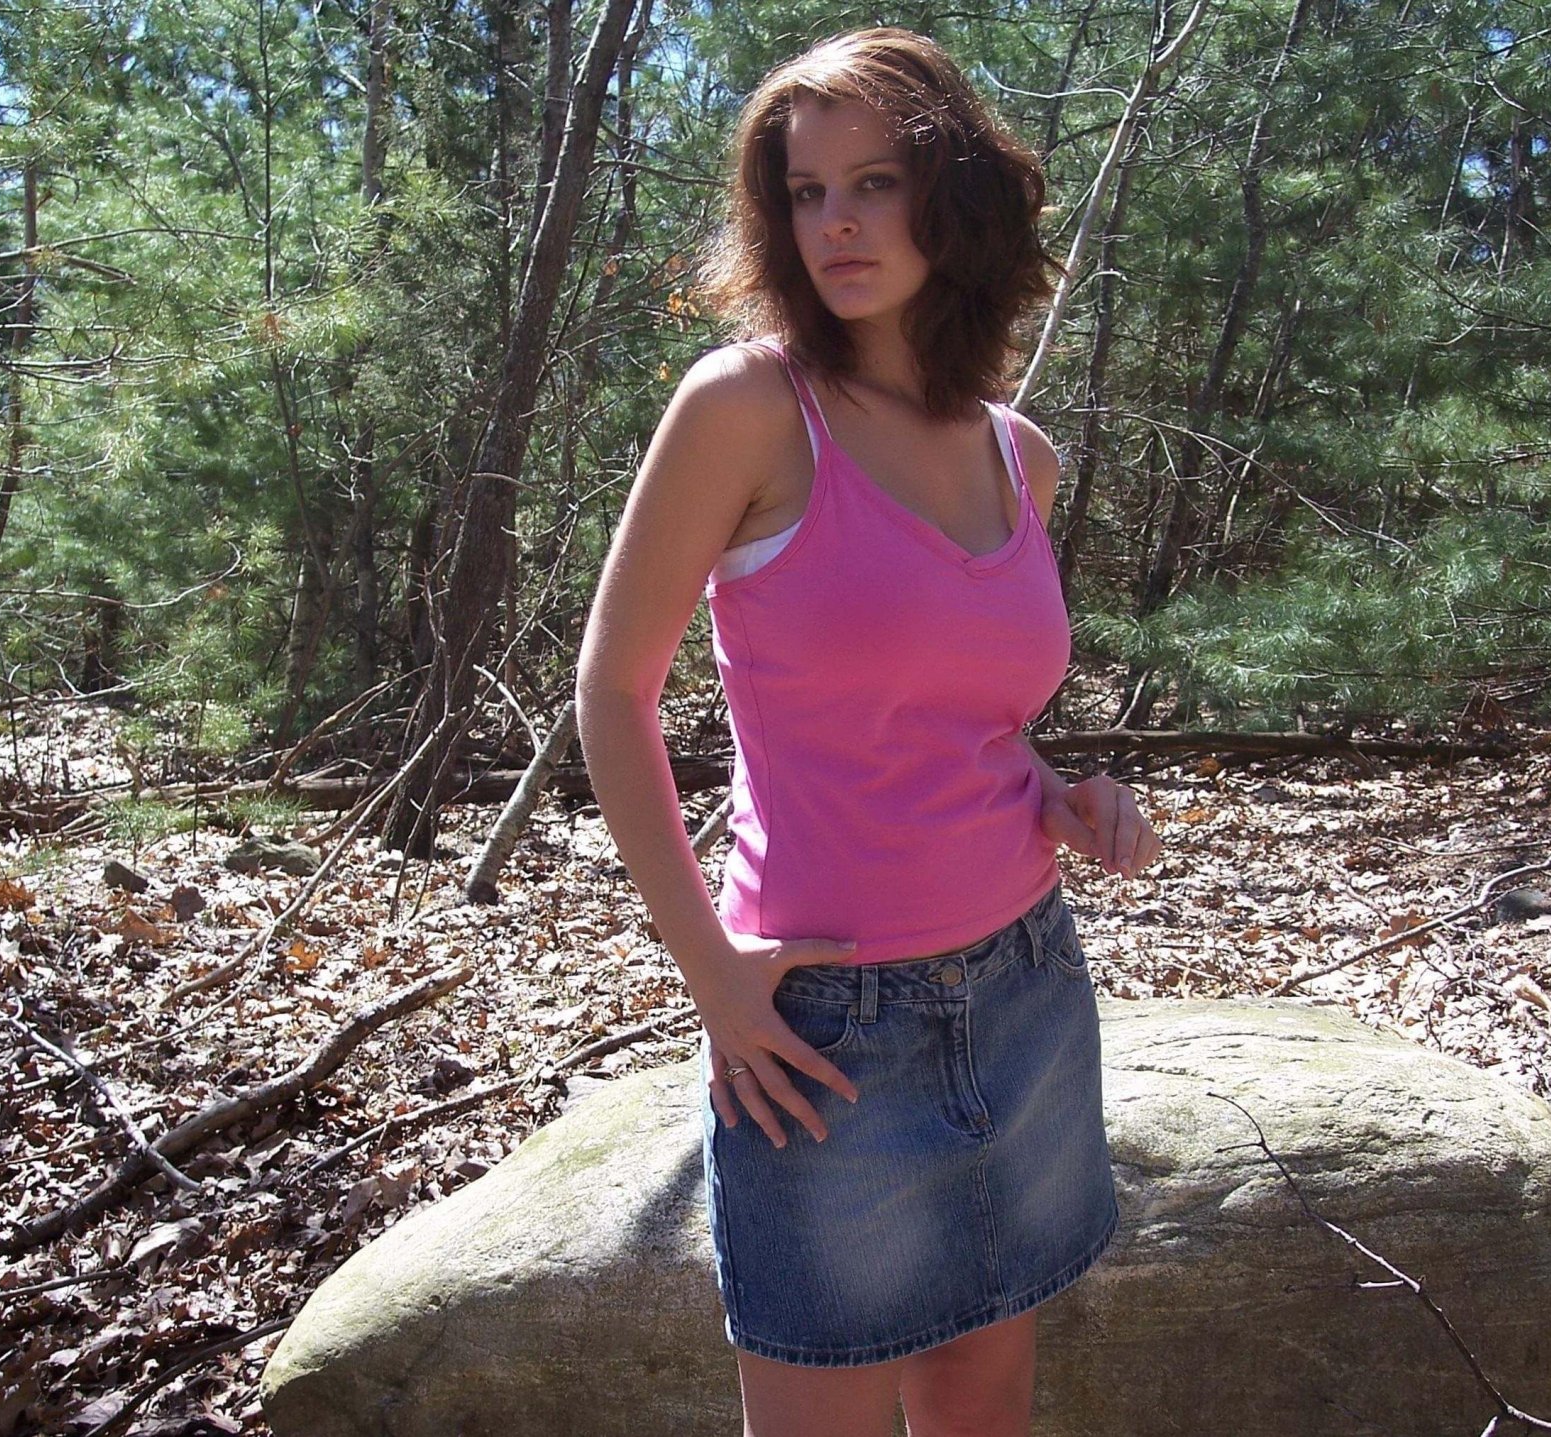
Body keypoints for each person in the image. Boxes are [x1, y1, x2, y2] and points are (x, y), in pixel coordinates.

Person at [575, 27, 1163, 1437]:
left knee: (984, 1403)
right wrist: (712, 974)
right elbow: (612, 690)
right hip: (826, 1031)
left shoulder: (1017, 453)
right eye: (805, 191)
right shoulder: (747, 407)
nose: (835, 221)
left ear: (955, 196)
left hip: (1027, 986)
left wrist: (1064, 793)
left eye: (876, 183)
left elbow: (965, 717)